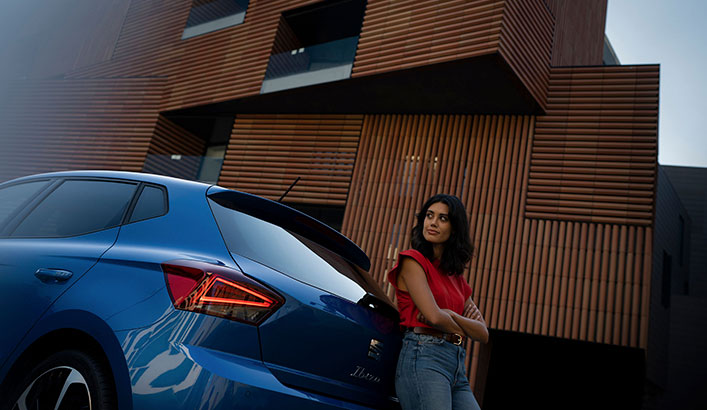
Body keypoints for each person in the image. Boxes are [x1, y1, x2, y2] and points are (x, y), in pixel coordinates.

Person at [388, 194, 489, 410]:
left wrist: (450, 315)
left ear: (455, 228)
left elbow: (483, 334)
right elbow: (434, 317)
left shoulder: (457, 279)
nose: (433, 222)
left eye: (443, 218)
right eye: (429, 216)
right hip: (424, 356)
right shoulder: (413, 261)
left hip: (456, 365)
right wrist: (460, 324)